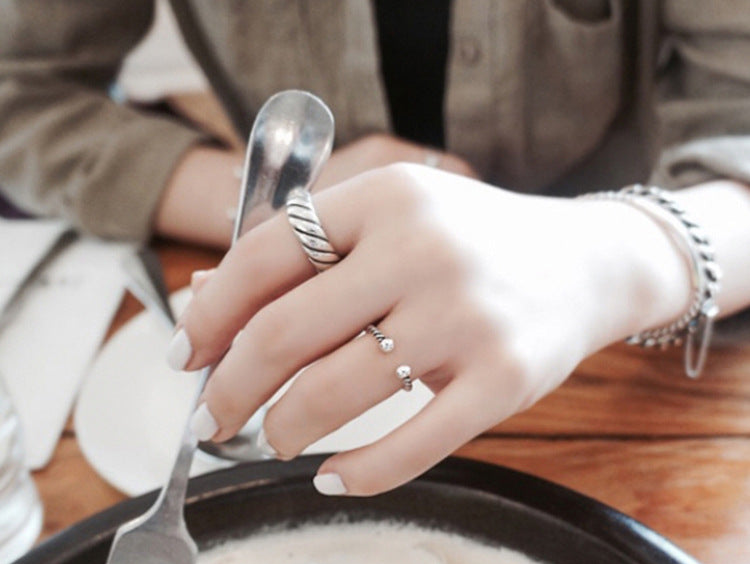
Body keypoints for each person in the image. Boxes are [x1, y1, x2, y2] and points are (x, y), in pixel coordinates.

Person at [1, 1, 750, 496]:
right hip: (277, 380)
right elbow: (19, 88)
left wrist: (602, 261)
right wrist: (285, 194)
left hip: (621, 369)